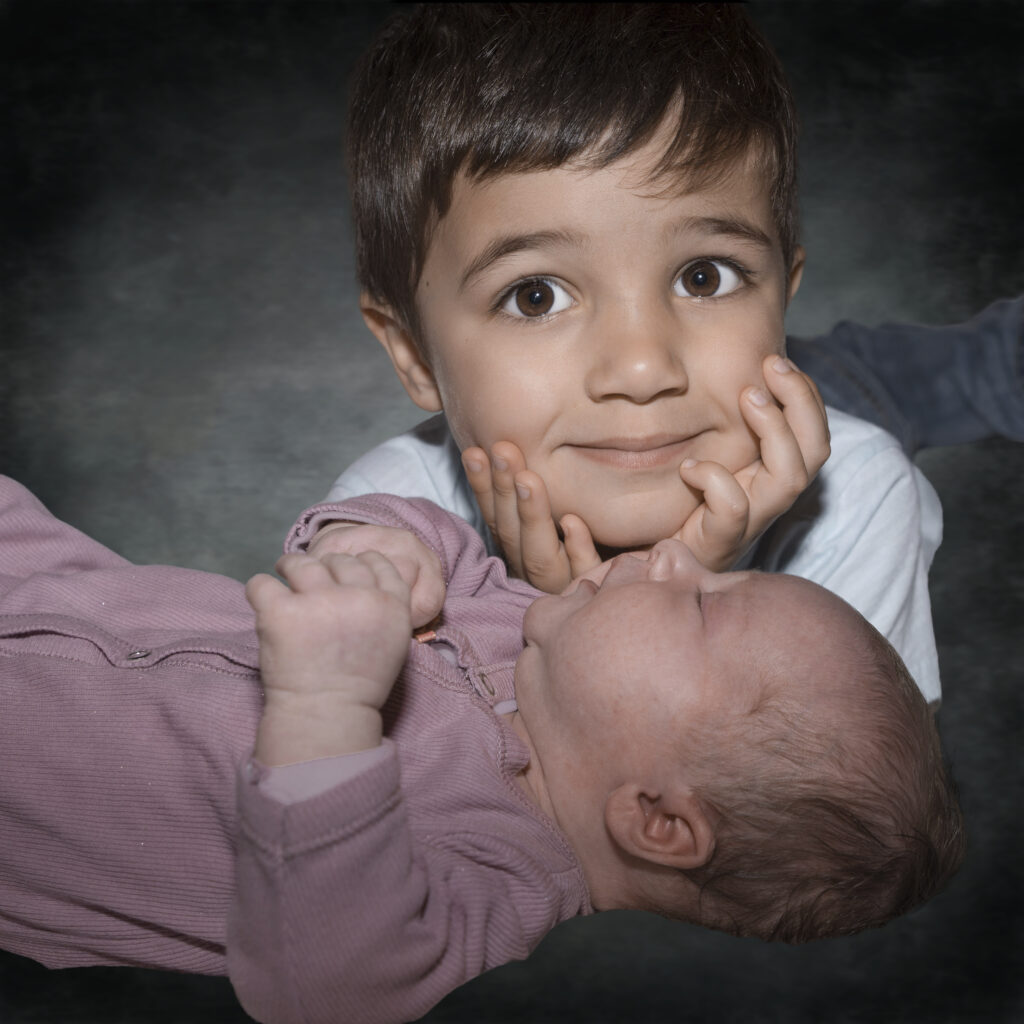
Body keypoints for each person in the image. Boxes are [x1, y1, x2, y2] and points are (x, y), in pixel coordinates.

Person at [0, 475, 964, 1024]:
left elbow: (327, 983)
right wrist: (384, 541)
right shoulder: (527, 630)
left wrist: (332, 699)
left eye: (706, 610)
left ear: (658, 820)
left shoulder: (488, 876)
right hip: (38, 568)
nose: (677, 558)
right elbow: (440, 540)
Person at [305, 3, 948, 707]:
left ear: (783, 303)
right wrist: (559, 618)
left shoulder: (854, 501)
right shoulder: (387, 532)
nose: (643, 370)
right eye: (535, 297)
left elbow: (845, 814)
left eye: (705, 277)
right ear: (414, 355)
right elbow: (381, 807)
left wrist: (669, 598)